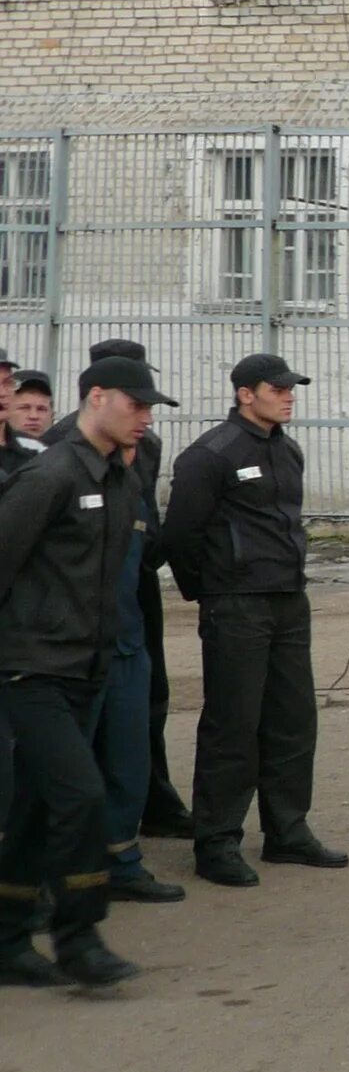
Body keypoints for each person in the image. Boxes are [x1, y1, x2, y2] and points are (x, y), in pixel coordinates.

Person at [0, 353, 178, 989]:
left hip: (88, 666)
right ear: (95, 398)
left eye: (151, 407)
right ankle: (79, 940)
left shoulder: (123, 478)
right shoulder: (49, 475)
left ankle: (8, 939)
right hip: (31, 668)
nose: (145, 417)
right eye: (136, 404)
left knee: (32, 809)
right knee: (81, 796)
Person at [158, 353, 346, 886]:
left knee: (292, 719)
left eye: (292, 388)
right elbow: (180, 535)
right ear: (246, 394)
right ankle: (216, 841)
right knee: (233, 723)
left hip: (287, 599)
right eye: (278, 388)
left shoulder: (287, 451)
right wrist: (210, 589)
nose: (289, 396)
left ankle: (288, 831)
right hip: (236, 603)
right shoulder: (211, 454)